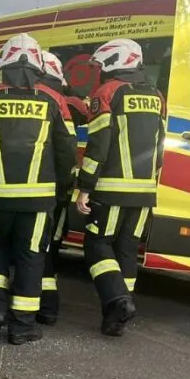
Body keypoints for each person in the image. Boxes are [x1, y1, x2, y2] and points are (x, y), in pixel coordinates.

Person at [0, 33, 78, 345]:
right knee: (30, 257)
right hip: (38, 200)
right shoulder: (54, 100)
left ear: (4, 63)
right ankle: (22, 326)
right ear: (38, 66)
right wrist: (63, 188)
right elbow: (67, 150)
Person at [76, 38, 167, 337]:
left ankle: (117, 300)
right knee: (127, 249)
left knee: (97, 245)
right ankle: (116, 318)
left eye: (101, 66)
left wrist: (85, 187)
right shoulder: (157, 96)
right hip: (145, 191)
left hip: (111, 189)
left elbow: (98, 146)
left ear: (114, 62)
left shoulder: (108, 93)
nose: (100, 72)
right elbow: (160, 146)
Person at [34, 51, 89, 326]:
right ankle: (46, 306)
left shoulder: (24, 95)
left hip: (28, 188)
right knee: (49, 246)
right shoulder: (65, 102)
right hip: (56, 189)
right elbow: (83, 110)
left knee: (28, 246)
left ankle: (27, 299)